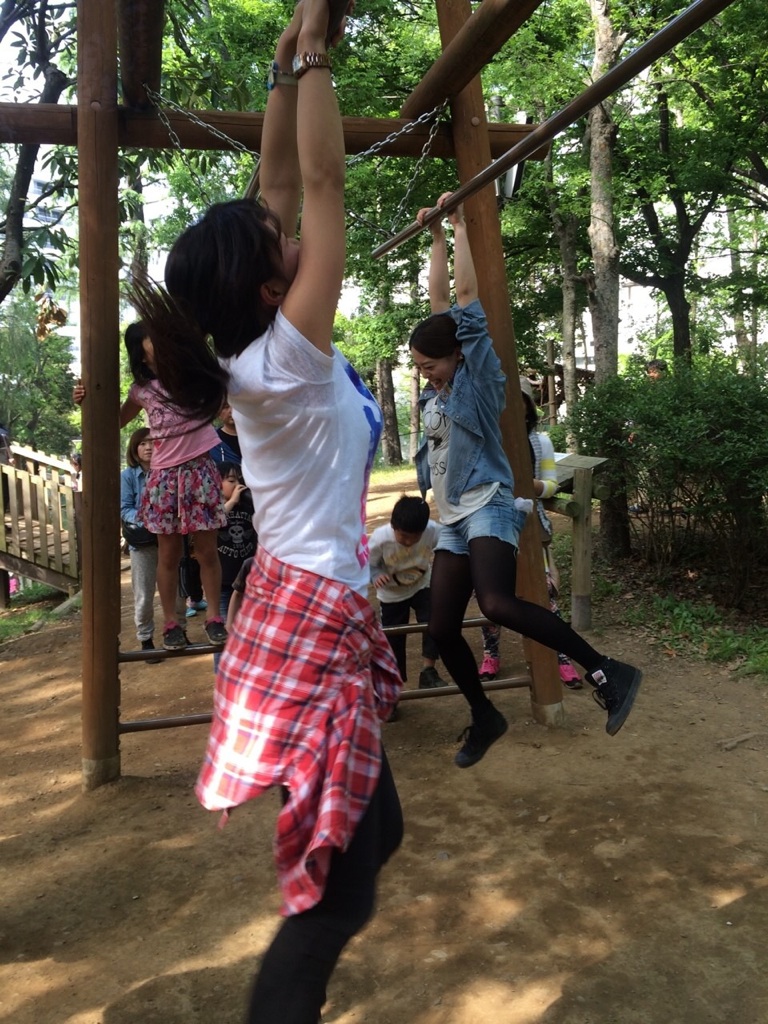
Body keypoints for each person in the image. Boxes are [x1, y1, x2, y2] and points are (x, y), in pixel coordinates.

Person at [127, 3, 403, 1022]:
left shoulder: (254, 351)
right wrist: (322, 47)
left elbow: (283, 189)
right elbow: (323, 185)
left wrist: (284, 71)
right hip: (312, 614)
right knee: (340, 899)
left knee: (379, 835)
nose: (290, 232)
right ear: (264, 281)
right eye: (280, 243)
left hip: (297, 604)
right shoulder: (286, 356)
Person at [410, 194, 642, 769]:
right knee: (441, 627)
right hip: (454, 516)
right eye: (418, 367)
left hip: (489, 502)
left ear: (457, 355)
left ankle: (605, 670)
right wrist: (434, 235)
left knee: (496, 602)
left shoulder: (480, 378)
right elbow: (439, 305)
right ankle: (484, 714)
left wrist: (460, 225)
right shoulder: (442, 386)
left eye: (429, 365)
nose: (425, 374)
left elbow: (464, 302)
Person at [74, 323, 229, 651]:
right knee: (169, 554)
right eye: (153, 340)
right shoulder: (141, 391)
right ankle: (171, 623)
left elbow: (219, 379)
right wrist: (86, 401)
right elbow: (112, 421)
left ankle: (215, 617)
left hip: (200, 472)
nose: (162, 342)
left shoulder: (191, 374)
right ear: (141, 354)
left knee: (206, 551)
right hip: (164, 478)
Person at [479, 377, 582, 689]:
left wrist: (529, 484)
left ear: (527, 407)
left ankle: (561, 657)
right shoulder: (485, 439)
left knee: (546, 595)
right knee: (493, 596)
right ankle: (491, 654)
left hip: (531, 527)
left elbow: (551, 484)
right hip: (492, 526)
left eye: (519, 402)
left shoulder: (541, 442)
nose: (511, 408)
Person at [369, 494, 444, 690]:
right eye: (403, 536)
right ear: (393, 527)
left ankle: (428, 671)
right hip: (391, 594)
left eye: (414, 537)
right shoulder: (380, 538)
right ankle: (395, 684)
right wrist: (375, 575)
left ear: (423, 529)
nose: (408, 542)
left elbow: (447, 546)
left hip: (422, 585)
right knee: (394, 639)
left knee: (433, 623)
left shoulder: (433, 530)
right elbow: (368, 564)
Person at [120, 427, 162, 662]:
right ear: (134, 449)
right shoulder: (127, 476)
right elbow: (124, 508)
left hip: (169, 537)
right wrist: (147, 518)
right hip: (142, 541)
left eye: (153, 442)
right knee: (144, 592)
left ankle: (179, 629)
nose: (148, 447)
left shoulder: (167, 472)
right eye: (143, 443)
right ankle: (146, 638)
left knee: (178, 588)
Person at [214, 460, 256, 670]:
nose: (238, 484)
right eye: (231, 480)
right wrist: (231, 502)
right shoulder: (213, 508)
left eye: (240, 479)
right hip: (224, 583)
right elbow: (212, 522)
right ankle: (221, 674)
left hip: (250, 582)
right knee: (224, 635)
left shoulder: (248, 506)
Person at [209, 401, 242, 466]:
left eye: (235, 406)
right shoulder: (214, 443)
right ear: (218, 413)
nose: (231, 411)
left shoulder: (256, 437)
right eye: (226, 407)